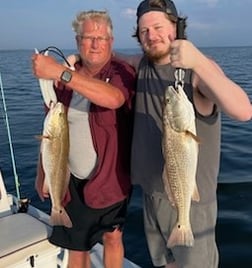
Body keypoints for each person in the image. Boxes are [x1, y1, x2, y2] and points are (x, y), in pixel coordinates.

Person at [127, 1, 252, 268]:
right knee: (164, 264)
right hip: (151, 196)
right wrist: (75, 61)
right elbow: (113, 59)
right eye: (144, 30)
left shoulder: (198, 71)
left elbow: (243, 111)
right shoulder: (142, 65)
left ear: (176, 26)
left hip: (190, 205)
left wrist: (198, 61)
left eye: (158, 27)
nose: (152, 35)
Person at [32, 10, 135, 268]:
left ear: (111, 42)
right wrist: (41, 172)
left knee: (113, 238)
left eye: (102, 38)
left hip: (111, 179)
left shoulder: (122, 72)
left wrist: (59, 72)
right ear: (78, 41)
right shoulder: (62, 78)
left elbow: (113, 99)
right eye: (89, 37)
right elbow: (50, 132)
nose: (96, 43)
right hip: (71, 181)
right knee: (77, 249)